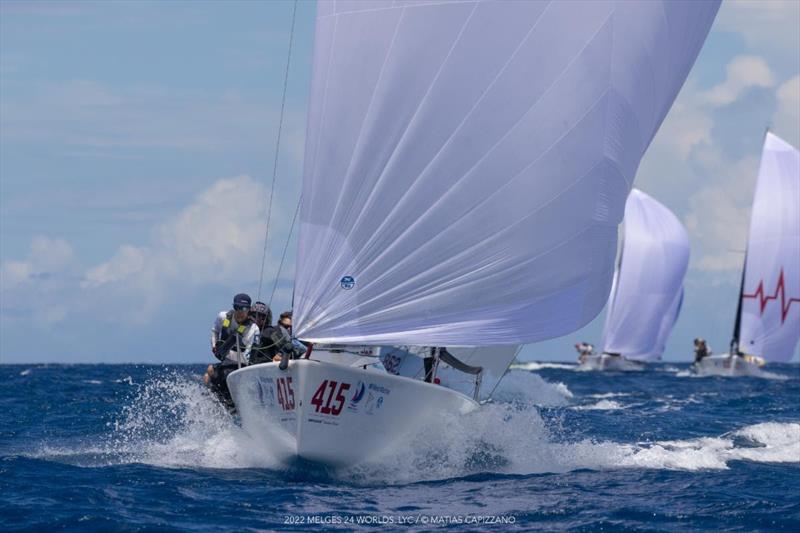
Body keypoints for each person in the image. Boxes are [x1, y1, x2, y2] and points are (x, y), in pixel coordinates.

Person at [203, 293, 259, 409]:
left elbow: (247, 359)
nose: (240, 312)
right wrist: (214, 346)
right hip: (225, 360)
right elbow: (215, 331)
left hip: (241, 366)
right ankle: (210, 404)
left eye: (244, 309)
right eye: (237, 308)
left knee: (222, 374)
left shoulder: (253, 329)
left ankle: (230, 406)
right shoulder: (223, 317)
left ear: (249, 310)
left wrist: (226, 353)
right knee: (208, 374)